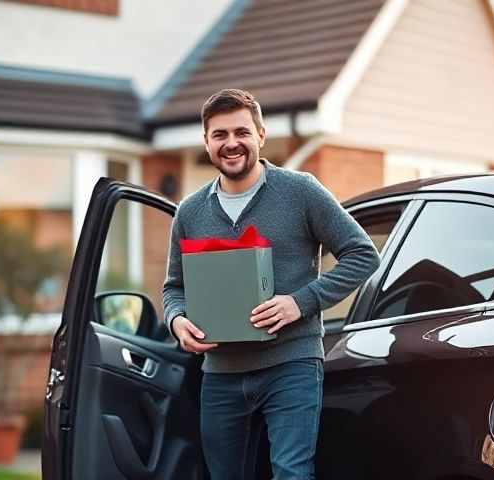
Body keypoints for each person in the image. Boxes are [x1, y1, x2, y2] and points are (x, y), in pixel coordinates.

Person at [162, 88, 380, 480]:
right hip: (221, 372)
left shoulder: (301, 191)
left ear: (261, 136)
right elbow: (174, 287)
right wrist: (178, 321)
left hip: (291, 364)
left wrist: (301, 302)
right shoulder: (190, 211)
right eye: (220, 134)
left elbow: (363, 254)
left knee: (291, 474)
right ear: (206, 142)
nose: (232, 143)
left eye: (242, 132)